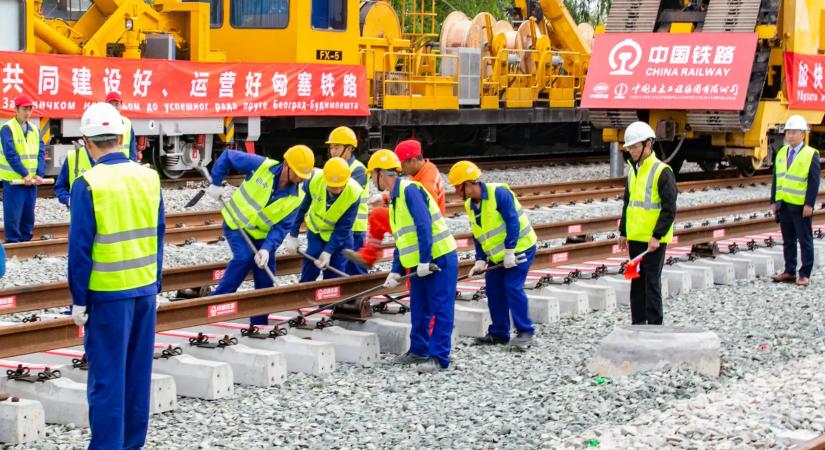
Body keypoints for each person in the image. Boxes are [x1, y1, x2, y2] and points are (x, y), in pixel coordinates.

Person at [67, 102, 165, 450]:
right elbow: (159, 233)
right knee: (137, 376)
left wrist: (78, 301)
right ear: (122, 137)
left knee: (107, 379)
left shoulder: (89, 184)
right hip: (144, 291)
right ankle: (131, 444)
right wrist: (156, 284)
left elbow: (80, 249)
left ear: (87, 142)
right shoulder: (149, 177)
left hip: (107, 296)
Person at [369, 149, 458, 373]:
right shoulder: (396, 200)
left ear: (382, 173)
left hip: (439, 258)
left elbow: (423, 226)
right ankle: (418, 350)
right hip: (422, 262)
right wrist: (395, 271)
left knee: (440, 307)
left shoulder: (410, 191)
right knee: (420, 306)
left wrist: (425, 260)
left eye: (372, 175)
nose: (371, 180)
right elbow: (403, 238)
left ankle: (439, 358)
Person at [206, 145, 313, 325]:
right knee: (243, 258)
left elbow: (281, 228)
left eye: (303, 176)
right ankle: (215, 302)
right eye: (297, 173)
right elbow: (227, 156)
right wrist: (216, 183)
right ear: (286, 164)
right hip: (236, 225)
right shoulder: (262, 166)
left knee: (265, 273)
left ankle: (259, 323)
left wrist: (266, 249)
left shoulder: (297, 196)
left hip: (262, 237)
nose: (300, 178)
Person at [448, 160, 537, 348]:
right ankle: (499, 333)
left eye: (458, 187)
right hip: (498, 256)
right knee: (494, 289)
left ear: (469, 183)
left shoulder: (499, 193)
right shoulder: (469, 205)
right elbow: (478, 233)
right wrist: (480, 259)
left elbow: (513, 222)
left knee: (512, 287)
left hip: (521, 248)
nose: (456, 191)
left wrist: (510, 251)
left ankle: (525, 331)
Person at [348, 139, 447, 267]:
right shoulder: (426, 170)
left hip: (429, 231)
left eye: (401, 164)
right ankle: (369, 255)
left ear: (413, 161)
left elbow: (422, 218)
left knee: (377, 215)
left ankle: (369, 256)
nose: (399, 168)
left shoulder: (427, 182)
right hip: (424, 227)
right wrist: (384, 197)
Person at [618, 121, 677, 325]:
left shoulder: (662, 171)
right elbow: (628, 203)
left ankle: (654, 326)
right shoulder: (633, 171)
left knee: (651, 283)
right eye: (630, 147)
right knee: (637, 283)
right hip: (635, 237)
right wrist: (623, 232)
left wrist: (657, 236)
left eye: (635, 146)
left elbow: (669, 209)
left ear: (648, 144)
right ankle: (638, 325)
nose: (632, 151)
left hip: (653, 241)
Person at [283, 157, 362, 282]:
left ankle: (331, 301)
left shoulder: (354, 193)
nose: (337, 190)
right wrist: (293, 234)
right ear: (325, 181)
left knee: (335, 273)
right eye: (333, 187)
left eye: (340, 186)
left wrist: (328, 251)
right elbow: (300, 208)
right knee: (312, 261)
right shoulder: (314, 180)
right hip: (317, 231)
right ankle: (304, 296)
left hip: (341, 238)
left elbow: (344, 227)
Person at [55, 92, 138, 208]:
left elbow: (132, 151)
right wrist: (69, 201)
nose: (114, 108)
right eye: (111, 105)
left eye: (116, 104)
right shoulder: (150, 178)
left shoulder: (127, 124)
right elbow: (61, 187)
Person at [770, 115, 821, 286]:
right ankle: (789, 270)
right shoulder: (782, 152)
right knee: (788, 240)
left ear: (803, 134)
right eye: (788, 132)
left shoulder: (810, 154)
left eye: (794, 132)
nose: (790, 135)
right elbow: (777, 178)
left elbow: (814, 182)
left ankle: (805, 274)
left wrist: (809, 204)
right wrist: (773, 201)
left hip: (800, 206)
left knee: (805, 239)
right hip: (784, 204)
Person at [0, 94, 46, 242]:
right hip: (14, 180)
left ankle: (26, 241)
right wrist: (24, 173)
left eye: (30, 109)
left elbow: (41, 153)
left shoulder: (34, 129)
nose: (27, 112)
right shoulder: (7, 128)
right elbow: (10, 154)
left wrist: (40, 174)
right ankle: (14, 241)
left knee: (28, 214)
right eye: (24, 109)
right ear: (16, 109)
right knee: (13, 213)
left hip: (31, 181)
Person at [325, 126, 369, 275]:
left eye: (337, 147)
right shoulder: (334, 168)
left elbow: (342, 198)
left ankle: (362, 296)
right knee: (342, 269)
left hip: (355, 229)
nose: (333, 152)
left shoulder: (358, 170)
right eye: (331, 147)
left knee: (356, 270)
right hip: (343, 228)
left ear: (349, 148)